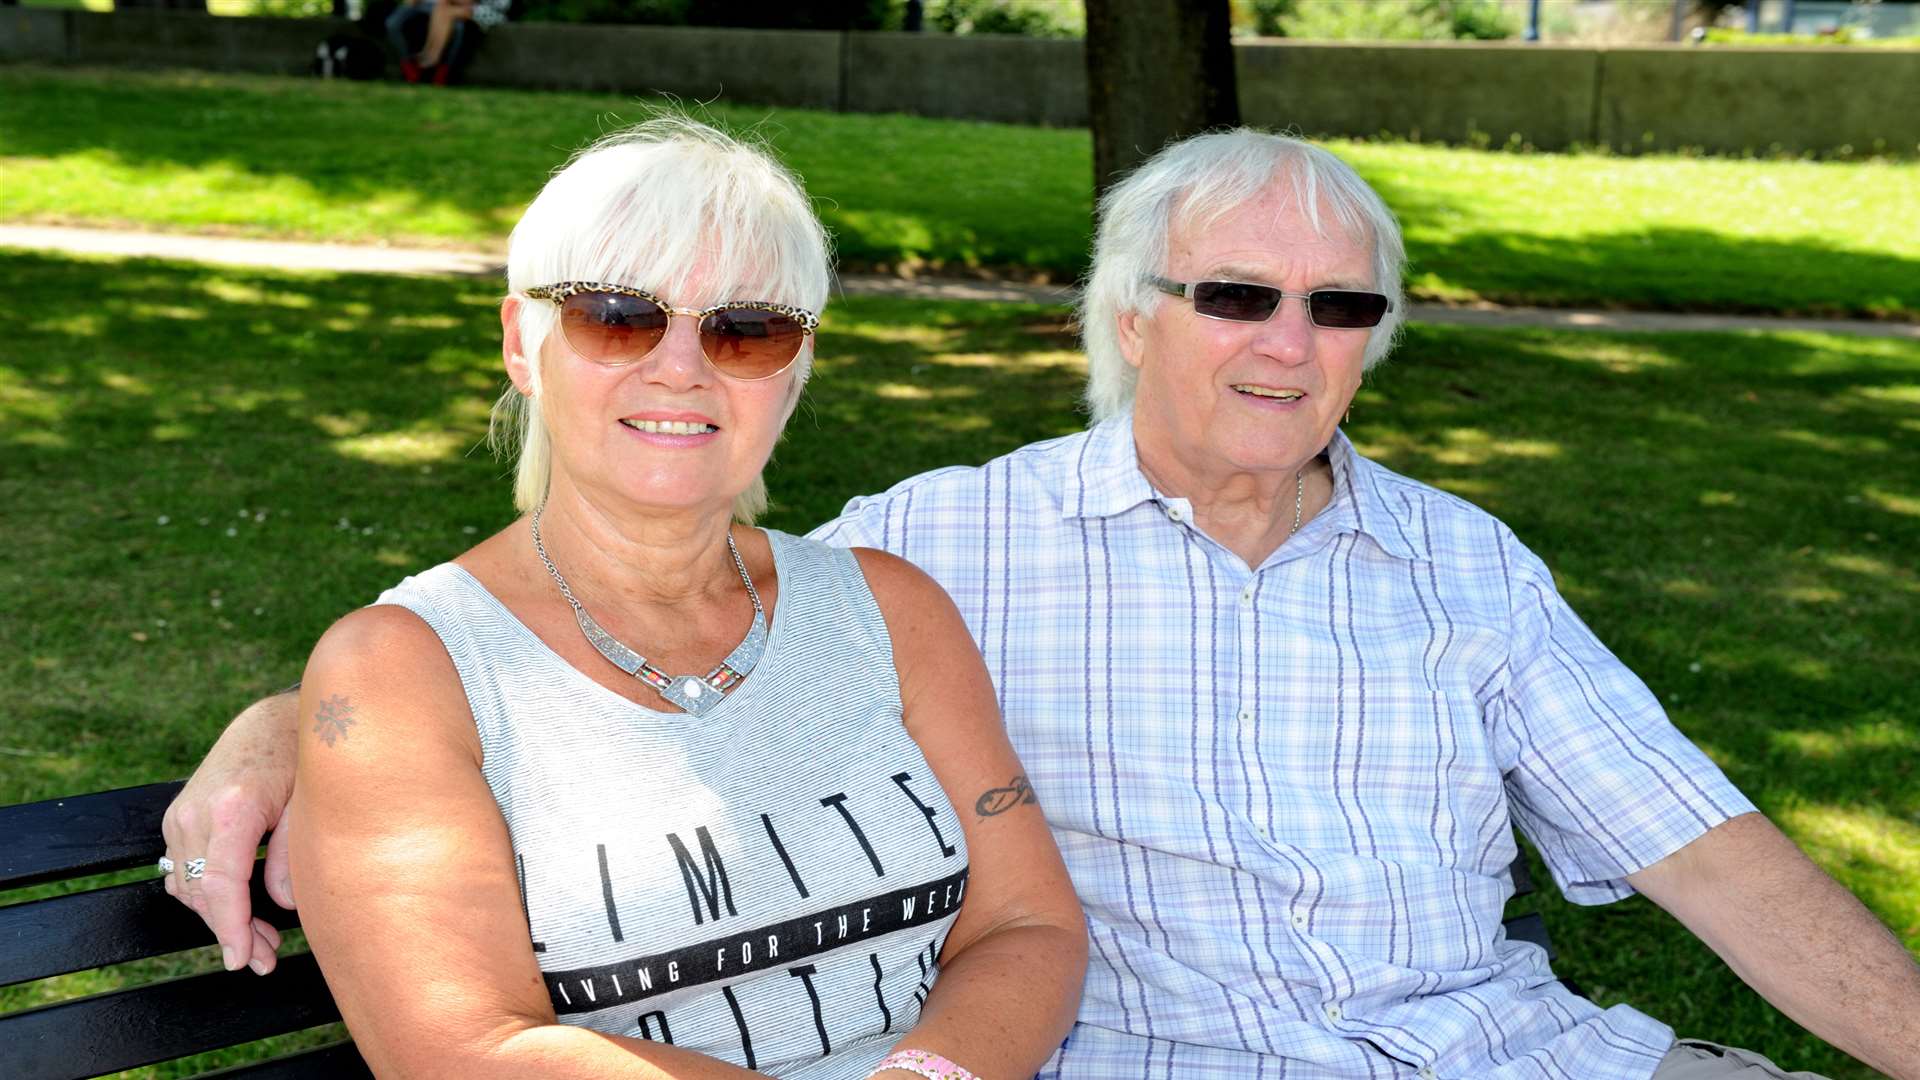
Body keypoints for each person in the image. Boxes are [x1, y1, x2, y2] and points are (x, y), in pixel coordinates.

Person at [163, 128, 1920, 1079]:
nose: (1291, 345)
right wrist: (288, 723)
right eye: (1236, 291)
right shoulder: (953, 545)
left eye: (1343, 306)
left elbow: (1717, 857)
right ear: (1130, 316)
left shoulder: (1467, 566)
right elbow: (610, 578)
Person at [163, 116, 1087, 1079]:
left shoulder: (888, 609)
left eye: (747, 330)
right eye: (617, 314)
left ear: (797, 371)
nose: (680, 367)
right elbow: (465, 1053)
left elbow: (1027, 925)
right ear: (524, 344)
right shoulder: (402, 674)